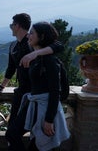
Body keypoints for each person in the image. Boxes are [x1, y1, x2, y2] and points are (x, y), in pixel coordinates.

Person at [5, 22, 70, 151]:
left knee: (32, 142)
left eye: (32, 33)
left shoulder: (50, 61)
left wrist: (49, 119)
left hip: (43, 106)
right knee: (15, 135)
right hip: (32, 103)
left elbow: (56, 91)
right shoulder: (35, 56)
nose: (28, 35)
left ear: (42, 36)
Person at [0, 13, 64, 128]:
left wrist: (34, 53)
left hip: (33, 92)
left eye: (12, 25)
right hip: (21, 90)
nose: (10, 27)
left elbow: (59, 46)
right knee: (12, 128)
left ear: (18, 26)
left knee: (27, 129)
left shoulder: (32, 43)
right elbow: (11, 68)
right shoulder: (13, 46)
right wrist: (2, 86)